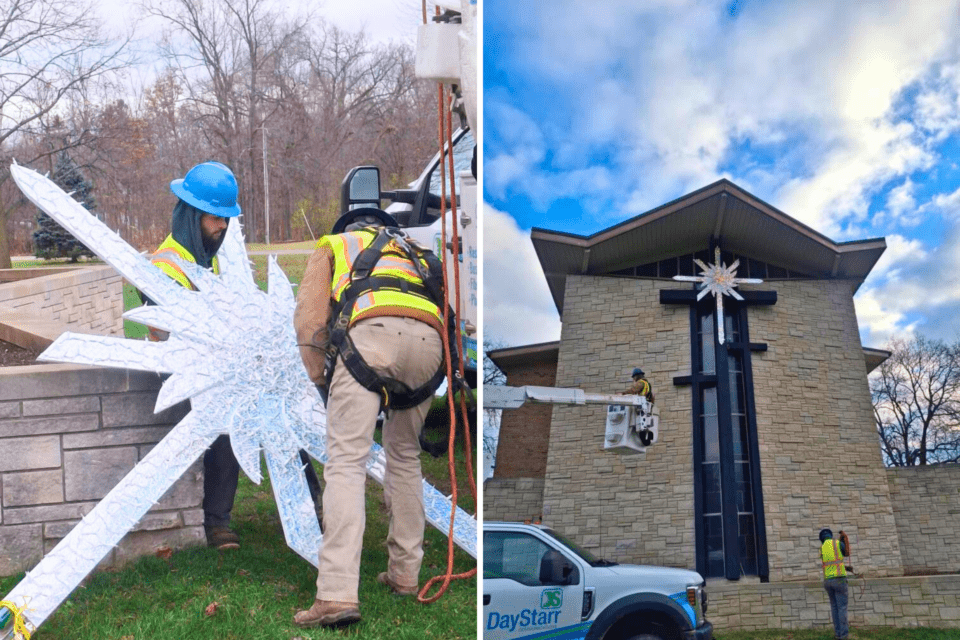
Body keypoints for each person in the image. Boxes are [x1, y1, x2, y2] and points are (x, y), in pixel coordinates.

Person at [143, 162, 325, 550]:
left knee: (286, 409)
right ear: (192, 216)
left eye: (226, 220)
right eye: (215, 219)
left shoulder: (205, 259)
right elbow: (166, 332)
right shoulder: (164, 267)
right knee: (228, 422)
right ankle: (217, 521)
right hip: (194, 373)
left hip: (232, 363)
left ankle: (312, 505)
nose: (222, 228)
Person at [293, 207, 454, 628]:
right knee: (405, 458)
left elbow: (310, 319)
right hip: (429, 348)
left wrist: (319, 378)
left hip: (371, 338)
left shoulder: (336, 245)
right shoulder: (418, 251)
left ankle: (335, 594)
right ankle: (404, 575)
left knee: (346, 462)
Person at [819, 528, 849, 640]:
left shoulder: (821, 548)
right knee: (842, 608)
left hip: (828, 581)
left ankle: (838, 634)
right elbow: (846, 552)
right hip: (839, 580)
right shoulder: (837, 543)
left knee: (835, 608)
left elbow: (831, 563)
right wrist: (843, 539)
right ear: (831, 536)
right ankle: (844, 635)